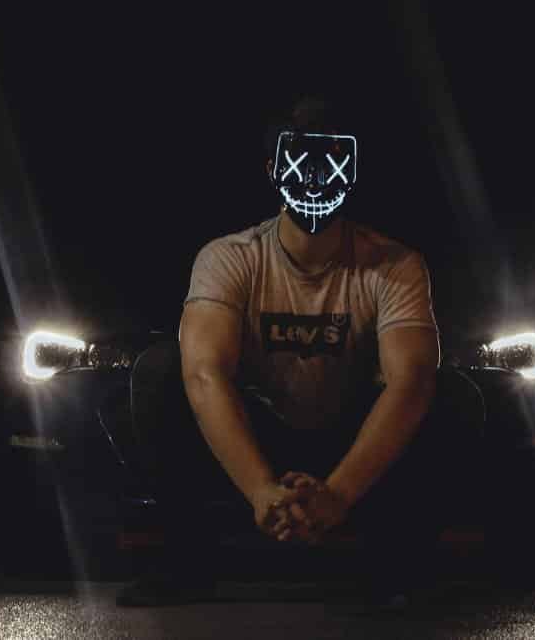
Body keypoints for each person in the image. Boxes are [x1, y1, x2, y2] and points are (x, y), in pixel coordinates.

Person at [117, 96, 474, 610]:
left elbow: (412, 382)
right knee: (159, 371)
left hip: (348, 433)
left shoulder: (394, 264)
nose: (314, 178)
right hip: (259, 429)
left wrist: (341, 492)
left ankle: (396, 567)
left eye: (330, 159)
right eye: (300, 159)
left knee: (453, 396)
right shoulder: (230, 257)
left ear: (352, 167)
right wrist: (261, 488)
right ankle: (188, 563)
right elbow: (203, 375)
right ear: (272, 168)